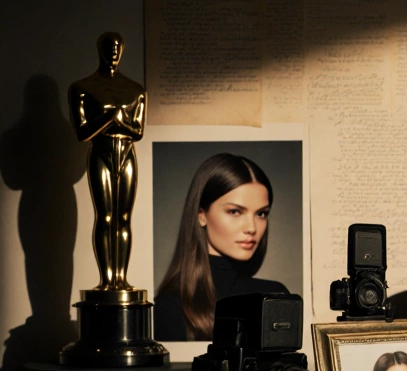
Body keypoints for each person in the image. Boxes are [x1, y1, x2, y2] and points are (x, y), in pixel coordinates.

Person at [154, 153, 287, 341]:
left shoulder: (274, 298)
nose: (251, 228)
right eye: (235, 211)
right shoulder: (170, 306)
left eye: (261, 214)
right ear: (201, 214)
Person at [68, 32, 146, 292]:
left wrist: (117, 121)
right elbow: (82, 133)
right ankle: (106, 279)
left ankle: (121, 278)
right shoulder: (82, 88)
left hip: (126, 154)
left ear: (122, 50)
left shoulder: (135, 90)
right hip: (101, 152)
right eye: (108, 47)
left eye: (117, 47)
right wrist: (110, 118)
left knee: (123, 217)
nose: (113, 51)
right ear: (99, 49)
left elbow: (138, 132)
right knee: (105, 216)